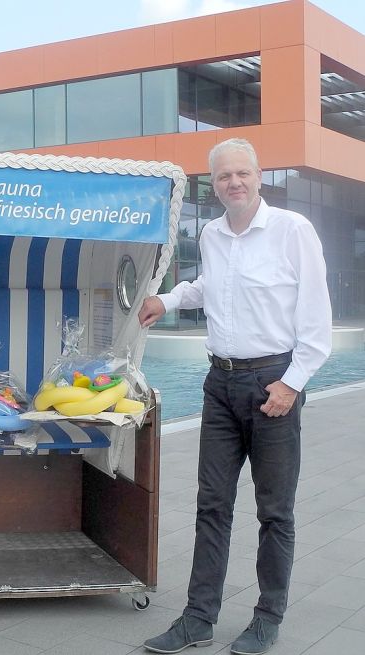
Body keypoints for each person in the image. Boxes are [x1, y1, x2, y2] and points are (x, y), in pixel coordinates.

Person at [139, 138, 331, 655]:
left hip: (273, 384)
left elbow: (316, 323)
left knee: (275, 511)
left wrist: (291, 385)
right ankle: (199, 619)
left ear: (259, 174)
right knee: (212, 505)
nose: (234, 183)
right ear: (214, 183)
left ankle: (267, 619)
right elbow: (210, 287)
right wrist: (170, 298)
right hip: (219, 384)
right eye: (224, 177)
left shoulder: (294, 231)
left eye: (242, 173)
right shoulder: (212, 234)